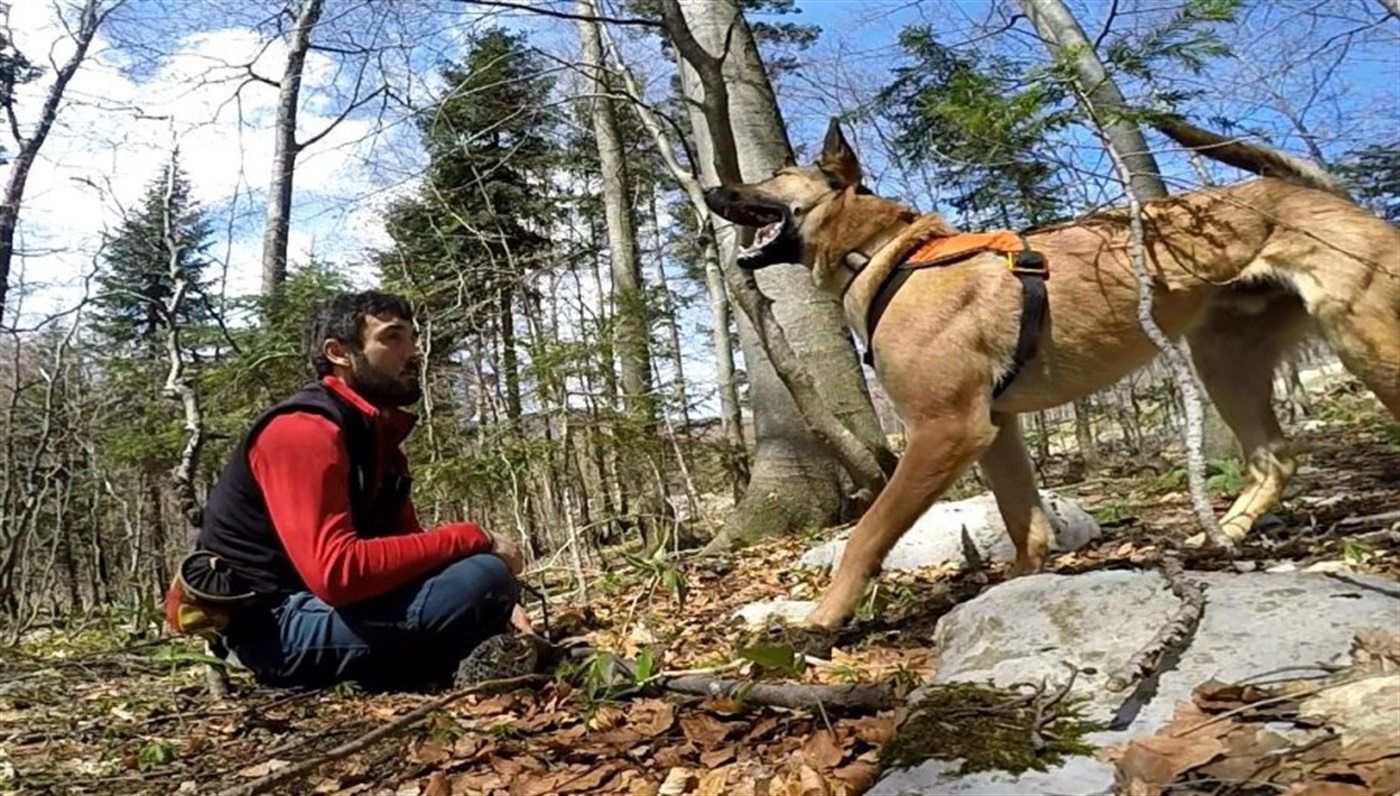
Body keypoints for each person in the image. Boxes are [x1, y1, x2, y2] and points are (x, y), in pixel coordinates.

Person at [165, 289, 532, 691]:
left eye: (413, 338)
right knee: (480, 575)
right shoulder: (301, 432)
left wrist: (499, 608)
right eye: (393, 338)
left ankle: (432, 664)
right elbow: (337, 574)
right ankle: (426, 664)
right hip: (276, 629)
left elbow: (408, 548)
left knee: (480, 585)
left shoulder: (378, 439)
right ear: (340, 352)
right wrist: (475, 538)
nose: (414, 352)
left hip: (332, 610)